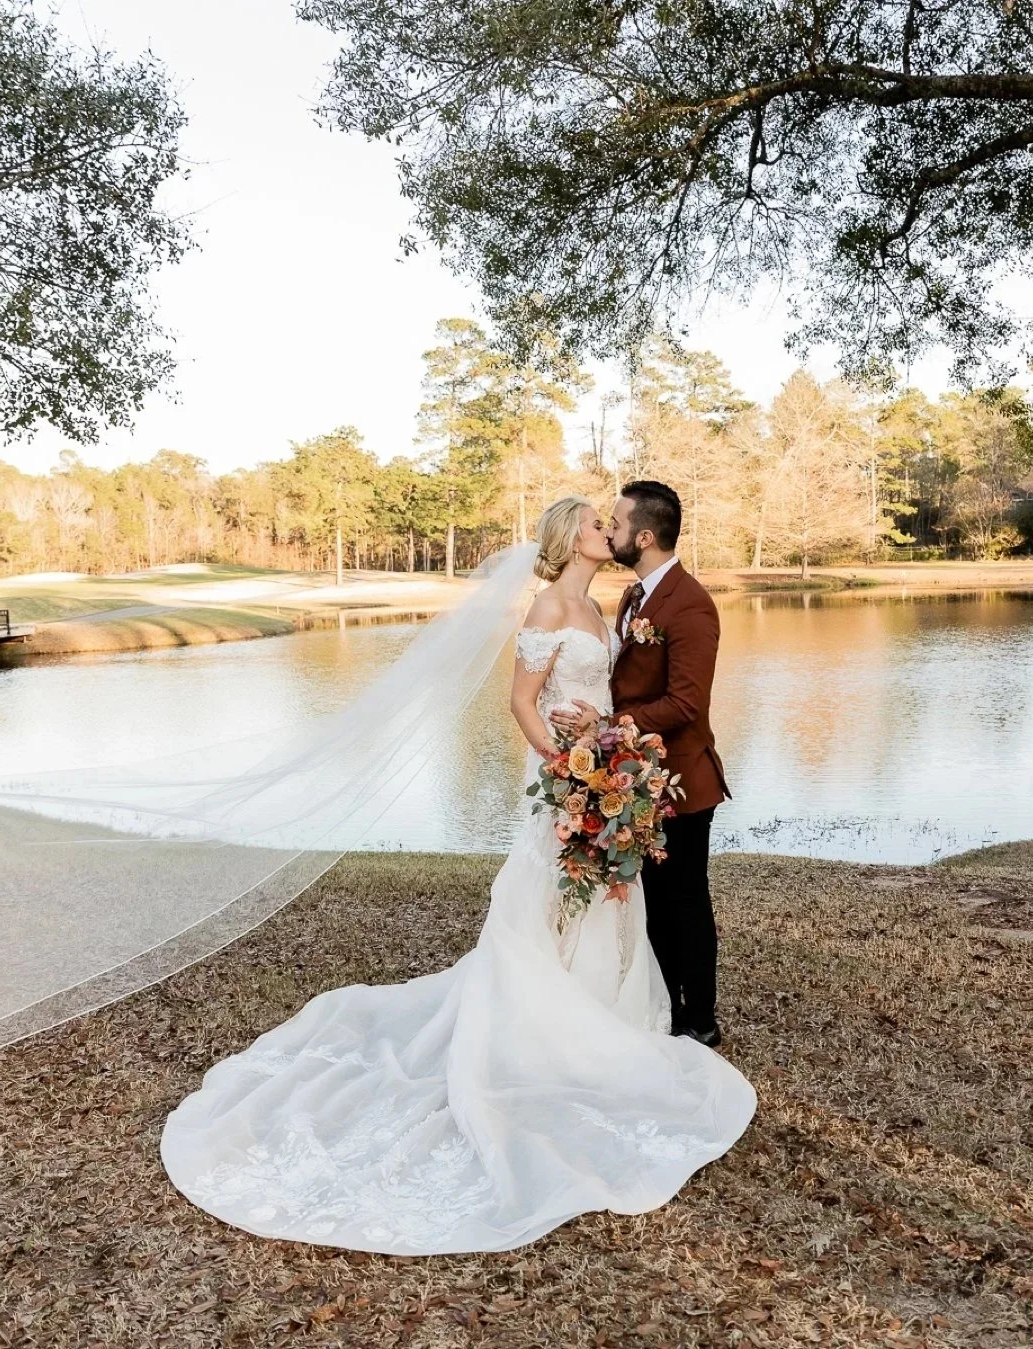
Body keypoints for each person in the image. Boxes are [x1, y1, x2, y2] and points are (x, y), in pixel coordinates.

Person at [160, 496, 755, 1255]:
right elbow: (521, 701)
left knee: (611, 901)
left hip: (608, 774)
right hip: (576, 780)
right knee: (559, 900)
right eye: (596, 522)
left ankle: (620, 1014)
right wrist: (569, 767)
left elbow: (630, 695)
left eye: (615, 521)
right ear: (575, 535)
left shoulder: (611, 603)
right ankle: (562, 1031)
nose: (607, 529)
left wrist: (606, 753)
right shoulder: (550, 605)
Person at [551, 480, 730, 1047]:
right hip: (637, 778)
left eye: (618, 523)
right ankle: (663, 1005)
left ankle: (700, 1020)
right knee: (653, 899)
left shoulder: (691, 602)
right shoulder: (633, 598)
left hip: (682, 780)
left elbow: (685, 704)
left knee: (685, 902)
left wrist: (606, 729)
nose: (610, 530)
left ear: (645, 536)